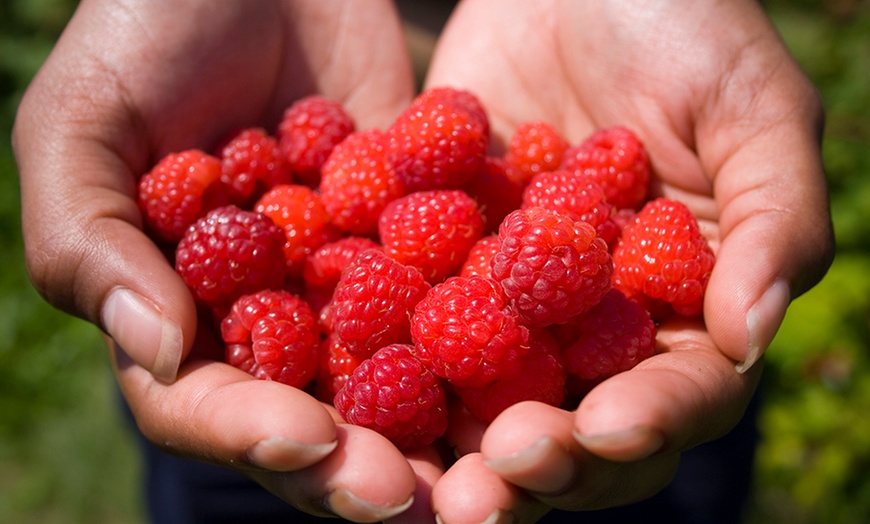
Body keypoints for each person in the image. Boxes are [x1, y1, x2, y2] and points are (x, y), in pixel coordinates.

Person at [12, 0, 834, 522]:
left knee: (646, 467)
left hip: (623, 434)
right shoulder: (339, 240)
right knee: (253, 467)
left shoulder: (527, 247)